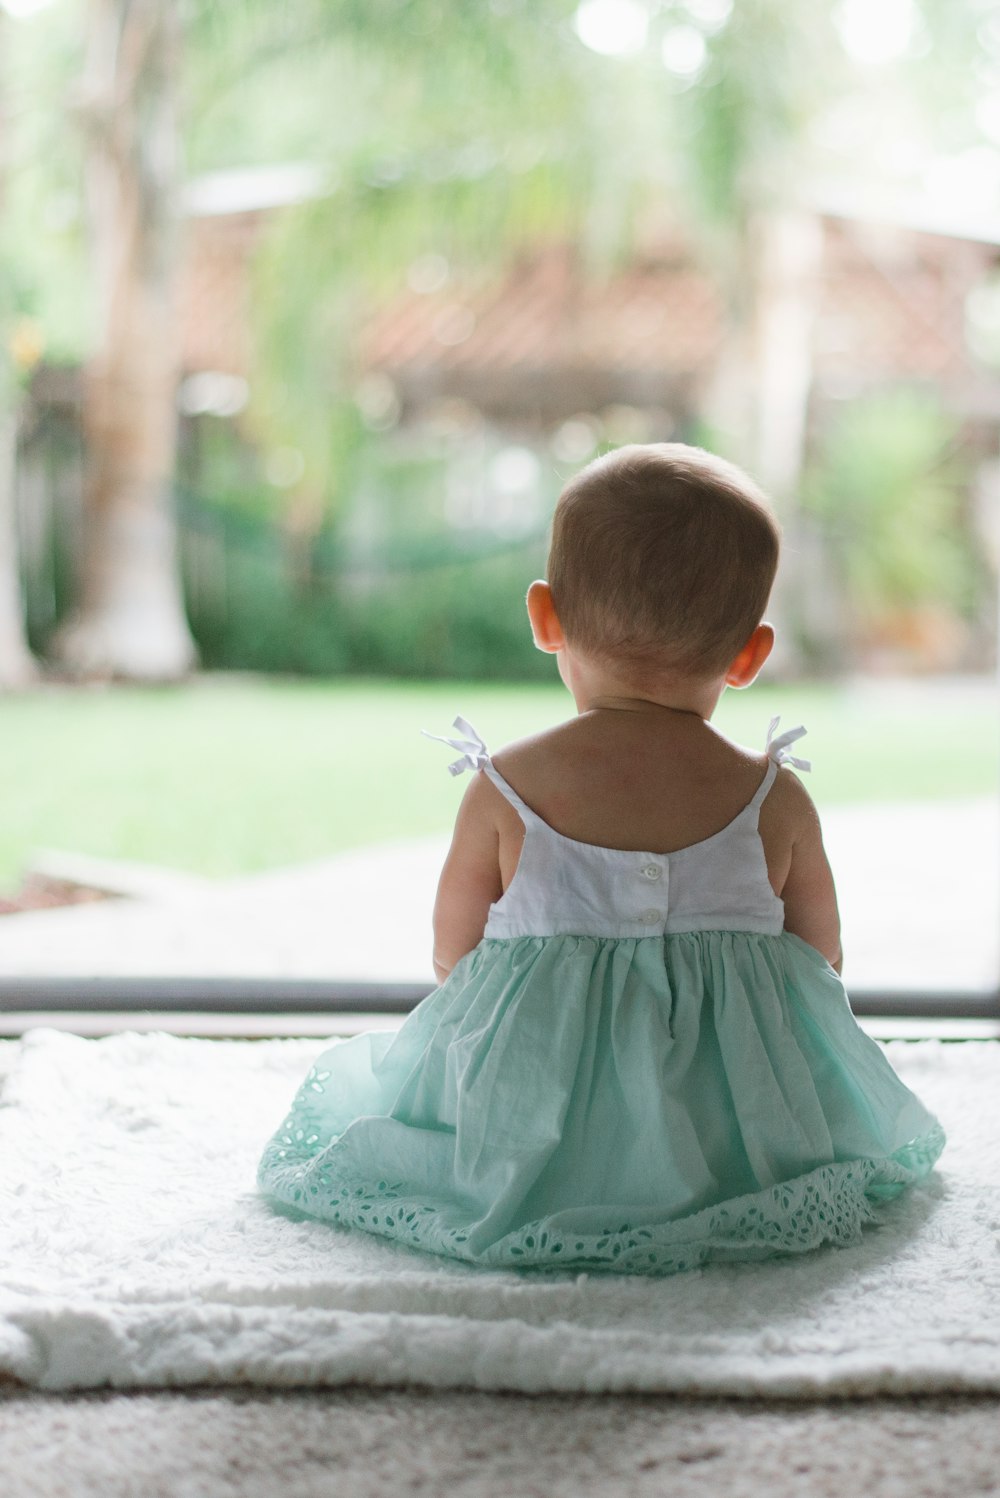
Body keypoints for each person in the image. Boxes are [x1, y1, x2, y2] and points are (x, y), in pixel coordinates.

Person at [257, 442, 944, 1275]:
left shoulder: (506, 788)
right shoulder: (774, 798)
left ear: (545, 617)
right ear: (749, 655)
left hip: (531, 1117)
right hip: (732, 1135)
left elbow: (454, 953)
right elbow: (819, 962)